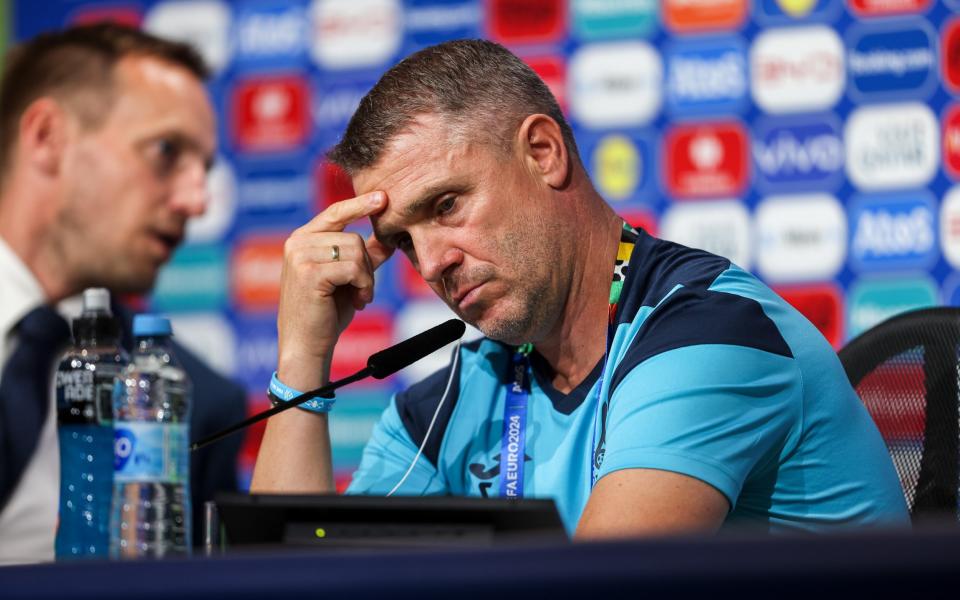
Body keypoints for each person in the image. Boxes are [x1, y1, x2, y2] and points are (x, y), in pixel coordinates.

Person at [251, 39, 909, 537]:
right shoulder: (457, 400)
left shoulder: (710, 335)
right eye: (401, 239)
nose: (430, 263)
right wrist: (300, 362)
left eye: (447, 204)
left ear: (543, 152)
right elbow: (300, 577)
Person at [0, 24, 246, 563]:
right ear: (46, 138)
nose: (197, 200)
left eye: (203, 169)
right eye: (165, 151)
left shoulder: (199, 402)